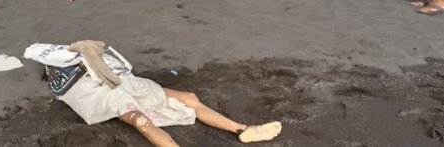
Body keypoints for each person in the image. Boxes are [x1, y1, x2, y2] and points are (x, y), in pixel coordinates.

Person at [26, 41, 282, 146]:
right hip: (104, 92)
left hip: (124, 81)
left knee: (189, 97)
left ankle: (242, 129)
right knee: (140, 120)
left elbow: (117, 64)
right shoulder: (63, 73)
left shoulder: (82, 55)